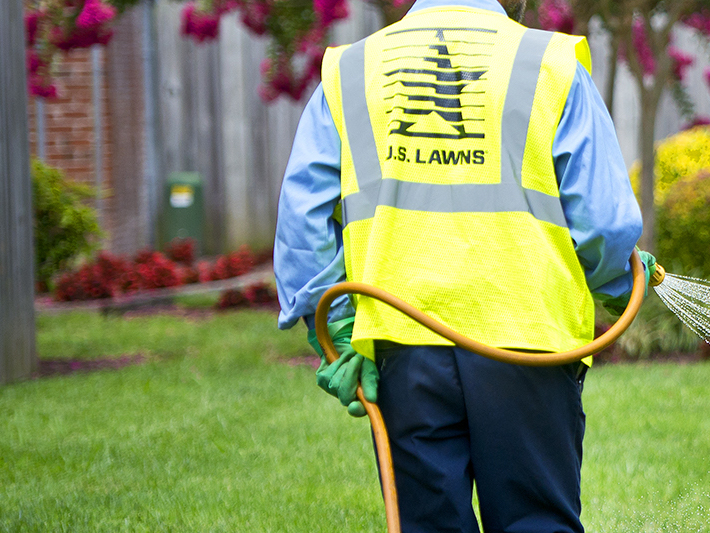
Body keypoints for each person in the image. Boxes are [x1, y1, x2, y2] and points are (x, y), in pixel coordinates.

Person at [273, 0, 651, 530]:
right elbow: (606, 226)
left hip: (404, 341)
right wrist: (617, 280)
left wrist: (330, 325)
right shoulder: (549, 63)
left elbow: (302, 217)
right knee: (534, 522)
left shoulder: (351, 69)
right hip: (528, 341)